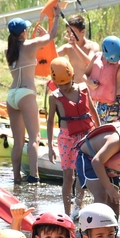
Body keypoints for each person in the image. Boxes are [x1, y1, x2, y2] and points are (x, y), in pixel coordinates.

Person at [6, 11, 60, 184]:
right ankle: (34, 176)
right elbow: (52, 36)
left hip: (12, 95)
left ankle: (16, 178)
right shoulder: (30, 45)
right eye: (26, 29)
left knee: (18, 141)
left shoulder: (8, 50)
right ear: (23, 32)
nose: (28, 31)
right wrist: (56, 17)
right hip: (26, 93)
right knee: (34, 138)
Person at [47, 57, 100, 215]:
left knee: (82, 172)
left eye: (67, 83)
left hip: (85, 135)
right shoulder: (54, 97)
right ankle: (67, 213)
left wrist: (100, 130)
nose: (64, 87)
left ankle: (78, 207)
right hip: (66, 137)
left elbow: (92, 110)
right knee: (68, 177)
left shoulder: (84, 89)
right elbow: (50, 122)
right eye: (60, 85)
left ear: (72, 77)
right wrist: (50, 147)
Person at [57, 14, 98, 84]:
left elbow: (89, 63)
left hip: (88, 87)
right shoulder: (67, 47)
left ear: (83, 32)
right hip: (74, 88)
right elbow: (52, 56)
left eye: (73, 32)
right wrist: (48, 40)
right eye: (68, 32)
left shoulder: (92, 46)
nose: (70, 35)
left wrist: (75, 47)